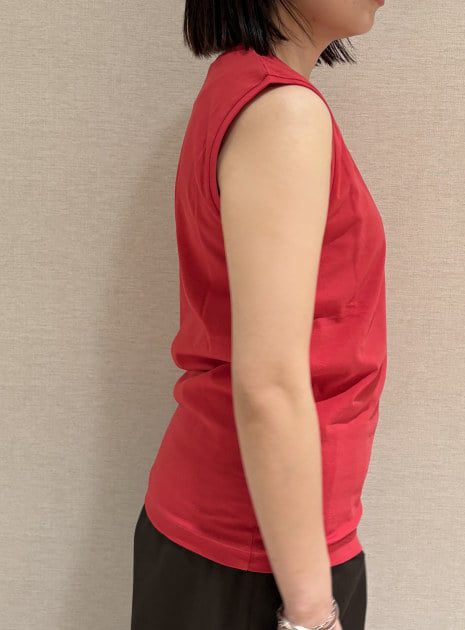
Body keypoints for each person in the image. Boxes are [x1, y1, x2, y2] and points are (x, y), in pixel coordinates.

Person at [131, 1, 387, 629]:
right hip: (261, 558)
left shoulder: (239, 84)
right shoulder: (283, 113)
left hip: (245, 541)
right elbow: (269, 382)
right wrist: (311, 614)